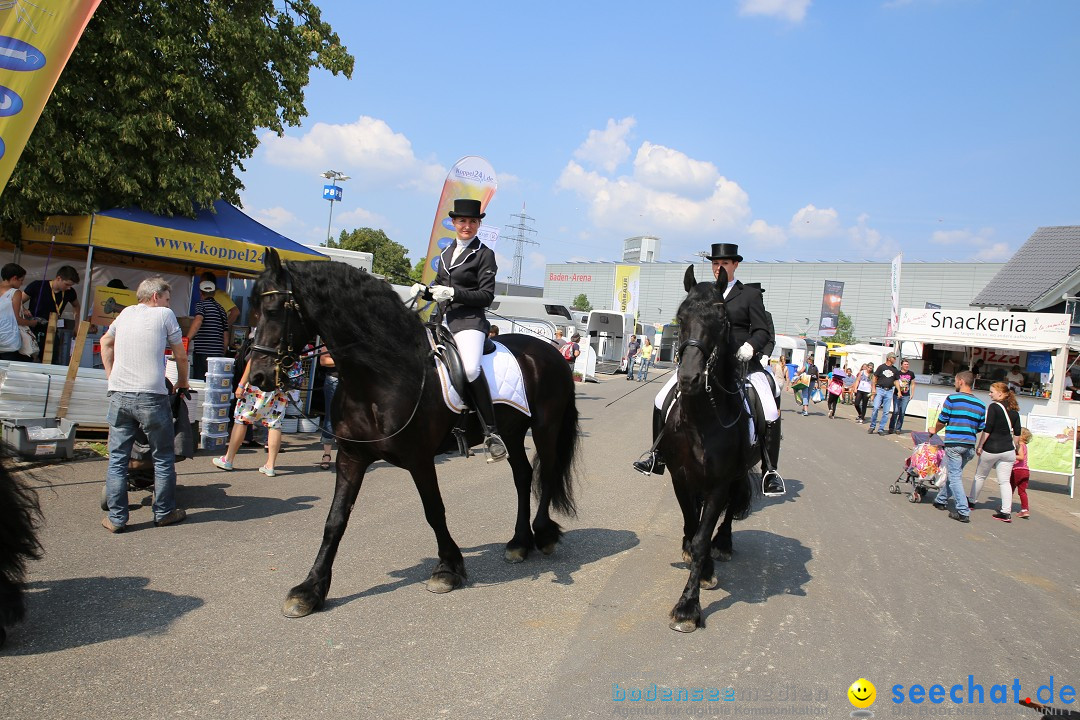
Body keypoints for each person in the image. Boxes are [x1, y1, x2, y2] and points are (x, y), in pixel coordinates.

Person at [634, 243, 784, 496]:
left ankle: (770, 469)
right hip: (705, 363)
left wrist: (750, 346)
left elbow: (762, 330)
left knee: (769, 407)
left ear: (735, 265)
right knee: (661, 399)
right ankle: (657, 454)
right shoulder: (703, 294)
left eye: (724, 263)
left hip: (742, 364)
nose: (719, 268)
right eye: (715, 263)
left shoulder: (748, 295)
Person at [410, 198, 506, 462]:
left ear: (478, 224)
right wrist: (426, 291)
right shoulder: (445, 254)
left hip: (469, 322)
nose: (467, 226)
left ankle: (491, 432)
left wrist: (453, 292)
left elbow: (486, 295)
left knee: (471, 368)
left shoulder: (484, 254)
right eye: (462, 221)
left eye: (472, 221)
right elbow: (439, 286)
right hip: (442, 321)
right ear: (454, 223)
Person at [99, 276, 189, 532]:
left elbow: (106, 342)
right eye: (167, 298)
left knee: (117, 459)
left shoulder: (125, 313)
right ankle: (164, 512)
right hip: (151, 395)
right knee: (163, 457)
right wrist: (183, 381)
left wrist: (111, 377)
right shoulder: (164, 315)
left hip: (120, 393)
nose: (169, 304)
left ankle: (117, 519)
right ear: (155, 297)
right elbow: (179, 354)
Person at [212, 357, 290, 476]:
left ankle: (228, 459)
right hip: (279, 386)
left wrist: (241, 385)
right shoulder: (289, 342)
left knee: (242, 419)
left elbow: (253, 360)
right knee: (274, 424)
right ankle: (270, 465)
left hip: (258, 383)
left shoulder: (266, 338)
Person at [929, 370, 986, 523]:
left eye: (955, 380)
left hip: (954, 443)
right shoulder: (981, 404)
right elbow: (981, 427)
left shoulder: (953, 399)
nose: (954, 383)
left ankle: (963, 511)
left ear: (961, 381)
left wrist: (935, 430)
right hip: (969, 446)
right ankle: (941, 500)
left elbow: (943, 419)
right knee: (954, 473)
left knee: (955, 477)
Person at [969, 382, 1021, 522]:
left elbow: (988, 429)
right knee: (1004, 482)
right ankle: (1006, 512)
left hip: (991, 448)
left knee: (980, 476)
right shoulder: (1014, 411)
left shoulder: (993, 407)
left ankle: (971, 502)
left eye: (991, 392)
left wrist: (980, 445)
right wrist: (1013, 446)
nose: (989, 394)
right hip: (1008, 451)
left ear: (1000, 393)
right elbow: (1017, 433)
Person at [23, 265, 79, 364]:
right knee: (29, 359)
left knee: (52, 360)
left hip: (52, 330)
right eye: (67, 284)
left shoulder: (70, 292)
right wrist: (23, 309)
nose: (69, 288)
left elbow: (76, 306)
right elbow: (17, 301)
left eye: (71, 286)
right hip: (33, 329)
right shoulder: (37, 286)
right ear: (58, 278)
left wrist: (77, 325)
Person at [185, 280, 229, 380]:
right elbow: (226, 334)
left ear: (201, 293)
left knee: (200, 383)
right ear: (214, 293)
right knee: (213, 383)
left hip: (202, 353)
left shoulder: (201, 305)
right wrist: (222, 352)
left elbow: (198, 321)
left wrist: (186, 340)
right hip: (217, 354)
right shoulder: (221, 309)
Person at [0, 264, 41, 361]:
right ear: (14, 278)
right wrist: (33, 323)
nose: (22, 283)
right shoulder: (15, 292)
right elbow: (17, 320)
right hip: (8, 340)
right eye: (21, 280)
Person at [867, 353, 900, 435]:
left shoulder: (895, 369)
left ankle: (881, 429)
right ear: (889, 358)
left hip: (889, 391)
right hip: (880, 389)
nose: (895, 360)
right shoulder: (881, 367)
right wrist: (874, 388)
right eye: (894, 358)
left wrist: (899, 390)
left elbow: (896, 381)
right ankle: (872, 426)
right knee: (875, 407)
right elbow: (875, 377)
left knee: (886, 411)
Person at [318, 351, 339, 471]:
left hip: (353, 381)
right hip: (334, 380)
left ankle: (348, 455)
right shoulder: (329, 338)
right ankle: (327, 454)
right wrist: (345, 359)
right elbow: (323, 361)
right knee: (330, 417)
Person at [888, 359, 917, 434]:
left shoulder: (911, 373)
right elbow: (895, 382)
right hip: (897, 394)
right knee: (896, 411)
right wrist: (899, 392)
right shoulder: (897, 373)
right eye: (905, 364)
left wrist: (912, 393)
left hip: (906, 395)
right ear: (901, 365)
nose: (906, 366)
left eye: (907, 364)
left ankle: (898, 428)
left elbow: (913, 383)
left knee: (902, 412)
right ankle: (891, 427)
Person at [1009, 428, 1032, 519]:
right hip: (1025, 470)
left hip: (1017, 470)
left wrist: (1010, 456)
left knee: (1010, 488)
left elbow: (1021, 457)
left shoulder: (1019, 445)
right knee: (1022, 491)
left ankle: (1006, 506)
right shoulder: (1025, 446)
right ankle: (1024, 509)